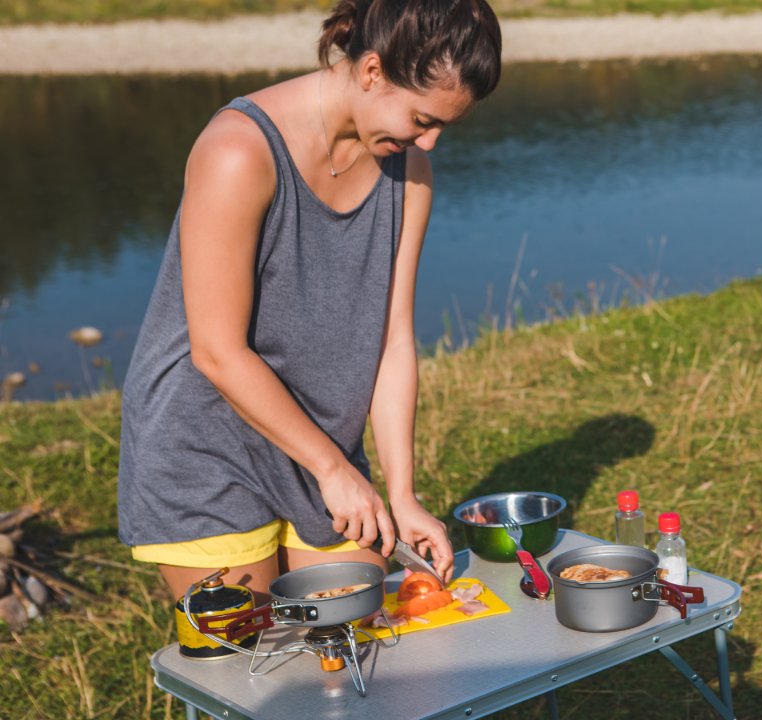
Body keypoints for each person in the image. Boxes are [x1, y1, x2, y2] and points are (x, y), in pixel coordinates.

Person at [117, 0, 501, 601]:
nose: (429, 139)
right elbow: (216, 352)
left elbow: (392, 341)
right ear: (372, 71)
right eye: (422, 118)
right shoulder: (238, 151)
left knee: (353, 652)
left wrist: (400, 495)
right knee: (251, 666)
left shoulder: (411, 173)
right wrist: (330, 469)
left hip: (324, 441)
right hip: (205, 445)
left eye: (444, 125)